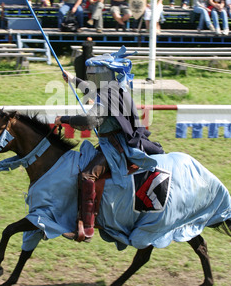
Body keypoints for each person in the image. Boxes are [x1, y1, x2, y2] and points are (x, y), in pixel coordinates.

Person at [54, 45, 164, 241]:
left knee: (87, 175)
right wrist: (72, 79)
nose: (91, 78)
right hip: (111, 142)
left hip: (114, 147)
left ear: (102, 75)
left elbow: (89, 121)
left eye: (94, 74)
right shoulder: (113, 88)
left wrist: (64, 119)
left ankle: (86, 228)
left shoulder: (106, 96)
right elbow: (89, 89)